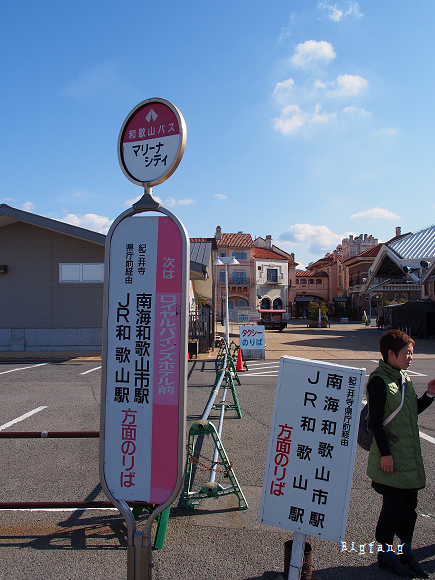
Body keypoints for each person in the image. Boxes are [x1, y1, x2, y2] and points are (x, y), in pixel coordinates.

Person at [367, 329, 435, 578]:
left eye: (412, 353)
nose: (411, 357)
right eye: (407, 353)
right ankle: (386, 555)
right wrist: (385, 454)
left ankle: (406, 552)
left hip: (408, 455)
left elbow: (411, 411)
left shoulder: (402, 377)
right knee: (392, 508)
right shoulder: (378, 381)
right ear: (391, 353)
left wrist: (429, 394)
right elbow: (375, 421)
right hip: (391, 457)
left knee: (410, 508)